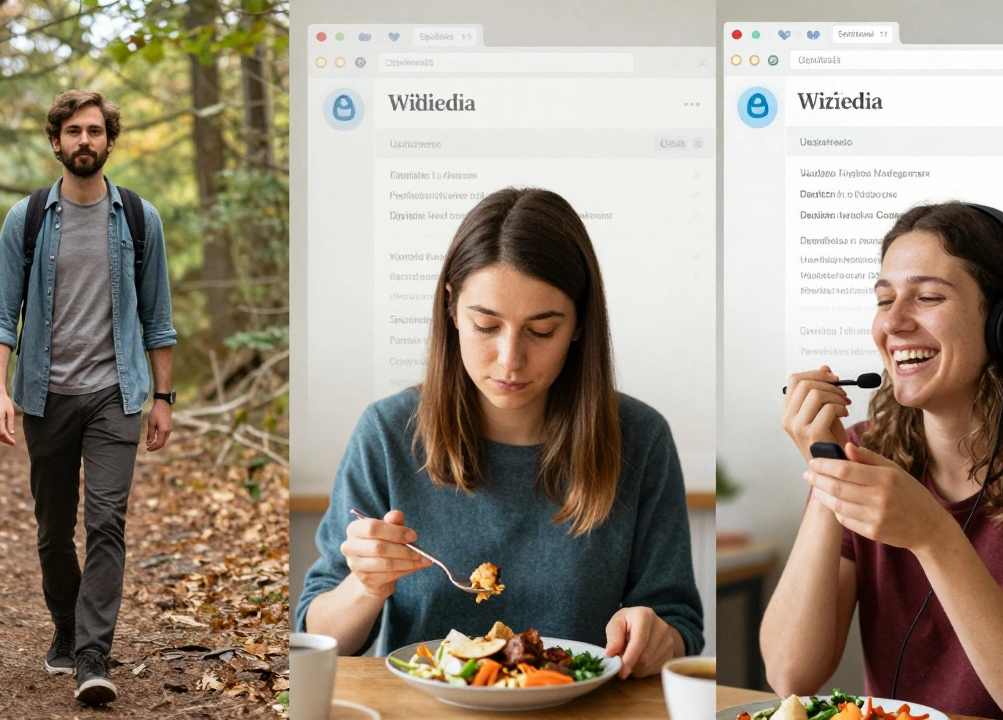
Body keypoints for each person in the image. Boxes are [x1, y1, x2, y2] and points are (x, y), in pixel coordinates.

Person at [295, 187, 704, 677]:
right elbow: (317, 635)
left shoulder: (641, 438)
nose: (510, 359)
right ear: (451, 310)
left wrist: (659, 636)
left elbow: (680, 625)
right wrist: (365, 586)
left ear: (578, 324)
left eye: (542, 331)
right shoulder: (387, 432)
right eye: (486, 326)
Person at [764, 202, 1003, 719]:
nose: (892, 323)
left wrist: (933, 536)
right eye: (884, 299)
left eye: (929, 296)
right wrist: (830, 473)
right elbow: (790, 674)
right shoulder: (862, 451)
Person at [0, 90, 177, 705]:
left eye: (95, 130)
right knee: (51, 531)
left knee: (107, 522)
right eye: (74, 131)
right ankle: (65, 628)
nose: (85, 140)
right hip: (45, 395)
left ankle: (94, 653)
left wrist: (163, 396)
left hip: (116, 394)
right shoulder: (28, 218)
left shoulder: (141, 219)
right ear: (57, 142)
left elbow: (158, 319)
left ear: (109, 140)